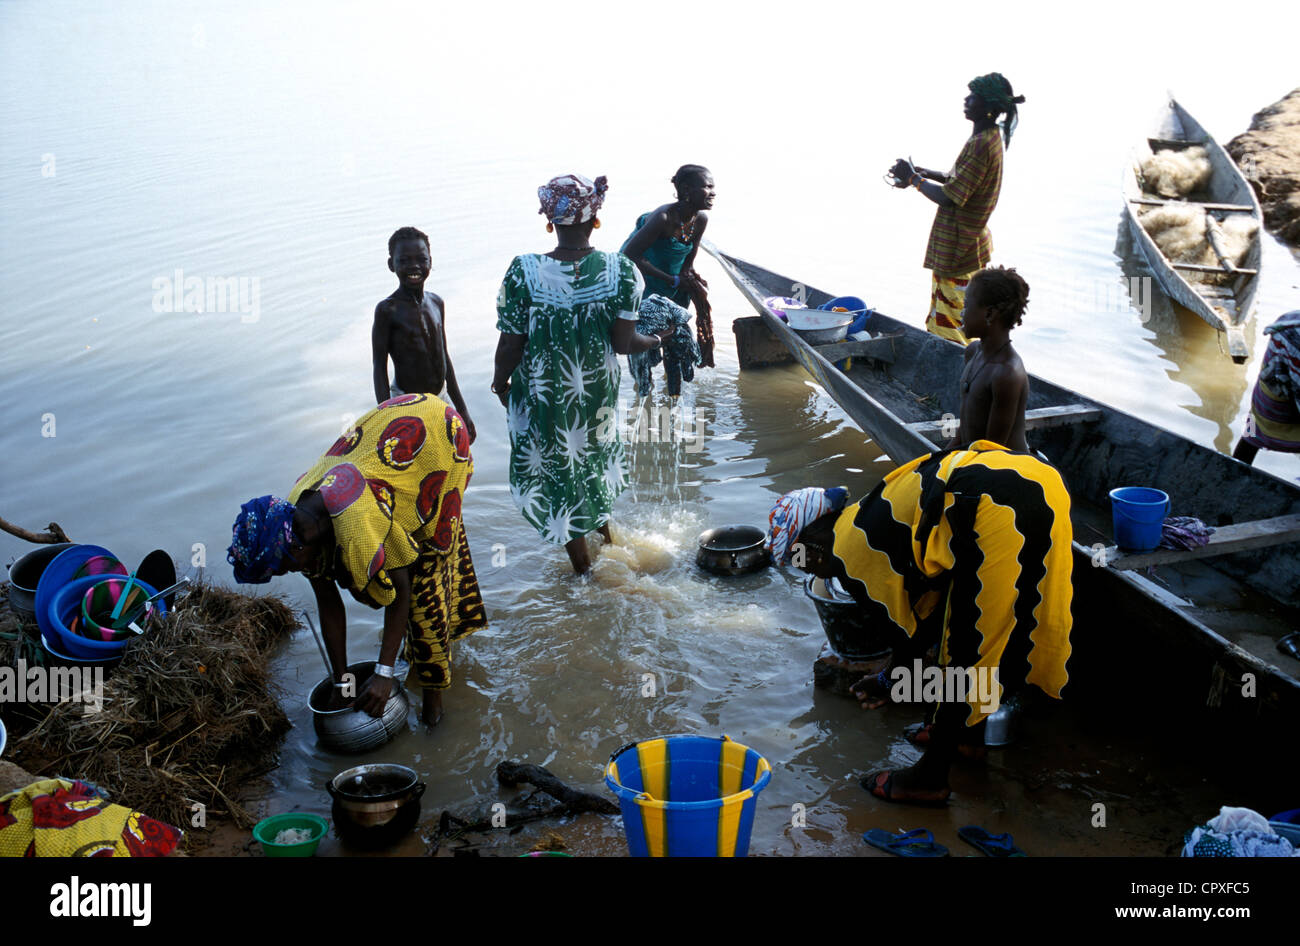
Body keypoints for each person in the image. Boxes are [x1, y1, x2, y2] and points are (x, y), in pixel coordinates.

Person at [768, 442, 1073, 805]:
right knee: (996, 624)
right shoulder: (866, 517)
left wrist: (889, 682)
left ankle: (929, 778)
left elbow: (912, 637)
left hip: (995, 505)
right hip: (1038, 482)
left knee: (969, 647)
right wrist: (891, 680)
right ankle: (967, 737)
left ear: (813, 544)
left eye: (799, 558)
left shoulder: (851, 550)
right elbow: (931, 609)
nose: (805, 567)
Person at [228, 395, 487, 726]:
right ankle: (409, 657)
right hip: (396, 437)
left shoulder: (358, 522)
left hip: (439, 436)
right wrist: (342, 680)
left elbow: (401, 592)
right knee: (404, 561)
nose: (291, 571)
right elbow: (329, 602)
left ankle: (434, 711)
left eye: (284, 567)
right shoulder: (293, 516)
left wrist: (383, 673)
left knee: (426, 587)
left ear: (294, 547)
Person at [492, 173, 669, 574]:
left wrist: (500, 381)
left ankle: (585, 574)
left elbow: (510, 344)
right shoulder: (621, 271)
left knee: (560, 470)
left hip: (546, 393)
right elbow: (625, 343)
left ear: (550, 222)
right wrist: (657, 339)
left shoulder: (524, 271)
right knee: (589, 459)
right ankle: (608, 539)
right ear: (596, 220)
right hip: (597, 392)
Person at [889, 74, 1025, 345]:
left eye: (972, 96)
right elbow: (960, 179)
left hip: (959, 249)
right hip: (967, 245)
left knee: (950, 325)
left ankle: (951, 378)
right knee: (952, 315)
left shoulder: (981, 144)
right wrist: (925, 173)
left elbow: (950, 197)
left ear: (987, 107)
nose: (966, 100)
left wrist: (913, 179)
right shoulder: (988, 137)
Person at [372, 226, 475, 443]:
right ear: (391, 265)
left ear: (430, 261)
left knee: (451, 457)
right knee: (413, 466)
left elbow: (444, 357)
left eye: (421, 259)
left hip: (440, 397)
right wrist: (386, 417)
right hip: (405, 402)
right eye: (404, 260)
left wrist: (462, 409)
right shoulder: (387, 311)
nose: (414, 267)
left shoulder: (436, 303)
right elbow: (379, 368)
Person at [622, 164, 717, 372]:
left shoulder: (700, 219)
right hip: (644, 281)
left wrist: (691, 279)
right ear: (685, 190)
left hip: (671, 282)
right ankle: (643, 393)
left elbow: (688, 261)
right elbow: (631, 256)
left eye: (713, 187)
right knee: (644, 348)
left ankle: (672, 391)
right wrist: (672, 280)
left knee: (674, 338)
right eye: (707, 187)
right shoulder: (663, 218)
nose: (713, 192)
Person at [952, 266, 1030, 451]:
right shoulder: (973, 352)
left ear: (989, 314)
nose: (961, 313)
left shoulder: (1006, 374)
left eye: (966, 306)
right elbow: (964, 428)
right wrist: (937, 458)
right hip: (973, 457)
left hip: (1002, 467)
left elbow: (993, 449)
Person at [1232, 310, 1300, 466]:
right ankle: (1233, 471)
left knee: (1251, 431)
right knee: (1256, 426)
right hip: (1278, 406)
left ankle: (1233, 470)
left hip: (1266, 394)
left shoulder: (1290, 321)